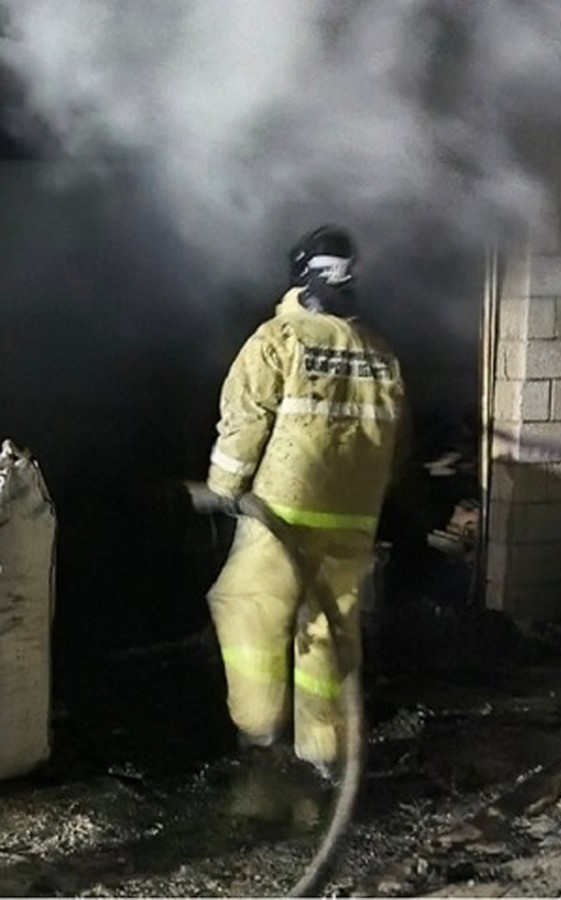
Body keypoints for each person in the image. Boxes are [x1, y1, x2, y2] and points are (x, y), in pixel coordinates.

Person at [204, 224, 410, 778]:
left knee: (247, 604)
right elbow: (395, 441)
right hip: (354, 516)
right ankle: (324, 747)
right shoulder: (381, 352)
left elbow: (245, 419)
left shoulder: (280, 339)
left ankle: (259, 725)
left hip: (283, 511)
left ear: (299, 277)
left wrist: (225, 490)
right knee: (331, 626)